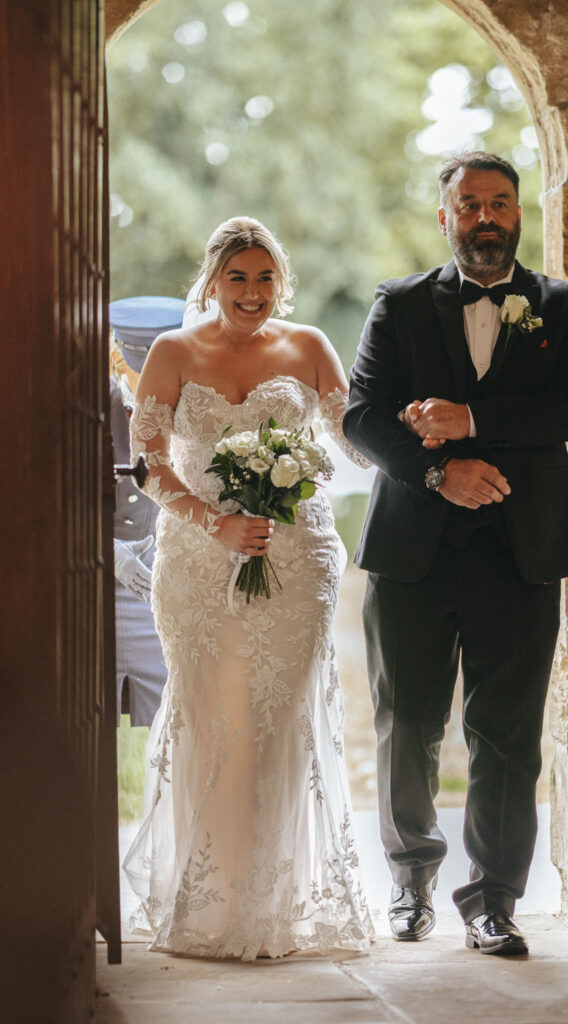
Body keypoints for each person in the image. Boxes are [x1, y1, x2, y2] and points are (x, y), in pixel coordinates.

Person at [343, 151, 568, 956]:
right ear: (444, 215)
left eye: (498, 203)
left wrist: (471, 420)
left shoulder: (563, 306)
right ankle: (410, 883)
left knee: (507, 733)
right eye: (468, 205)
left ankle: (491, 900)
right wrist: (436, 470)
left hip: (522, 552)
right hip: (412, 551)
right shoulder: (400, 304)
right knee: (408, 722)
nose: (483, 218)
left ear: (517, 214)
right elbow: (361, 417)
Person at [123, 216, 374, 960]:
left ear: (280, 283)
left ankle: (274, 905)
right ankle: (205, 905)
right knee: (210, 714)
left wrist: (415, 432)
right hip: (198, 562)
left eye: (265, 278)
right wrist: (212, 521)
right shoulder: (172, 351)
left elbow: (351, 436)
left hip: (296, 558)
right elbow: (148, 461)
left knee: (276, 717)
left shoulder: (309, 348)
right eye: (238, 277)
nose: (253, 292)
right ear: (211, 281)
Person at [110, 296, 185, 726]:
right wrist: (110, 553)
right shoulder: (89, 398)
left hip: (168, 577)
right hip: (93, 581)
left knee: (173, 717)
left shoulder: (194, 400)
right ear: (119, 353)